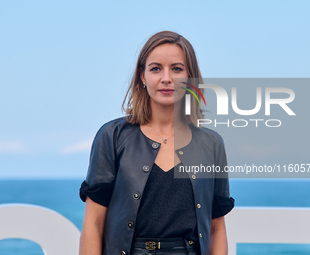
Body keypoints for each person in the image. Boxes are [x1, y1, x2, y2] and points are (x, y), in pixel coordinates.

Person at [79, 31, 234, 255]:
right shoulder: (112, 136)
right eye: (156, 68)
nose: (166, 78)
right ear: (142, 76)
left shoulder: (212, 144)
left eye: (177, 69)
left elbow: (216, 229)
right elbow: (93, 223)